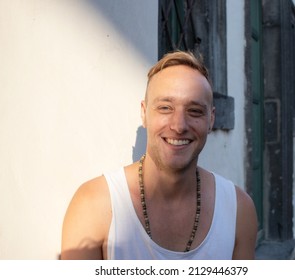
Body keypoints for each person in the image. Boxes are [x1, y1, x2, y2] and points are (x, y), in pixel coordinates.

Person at [61, 50, 258, 260]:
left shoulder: (238, 210)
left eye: (194, 111)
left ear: (211, 120)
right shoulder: (94, 204)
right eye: (165, 108)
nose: (179, 126)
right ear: (144, 113)